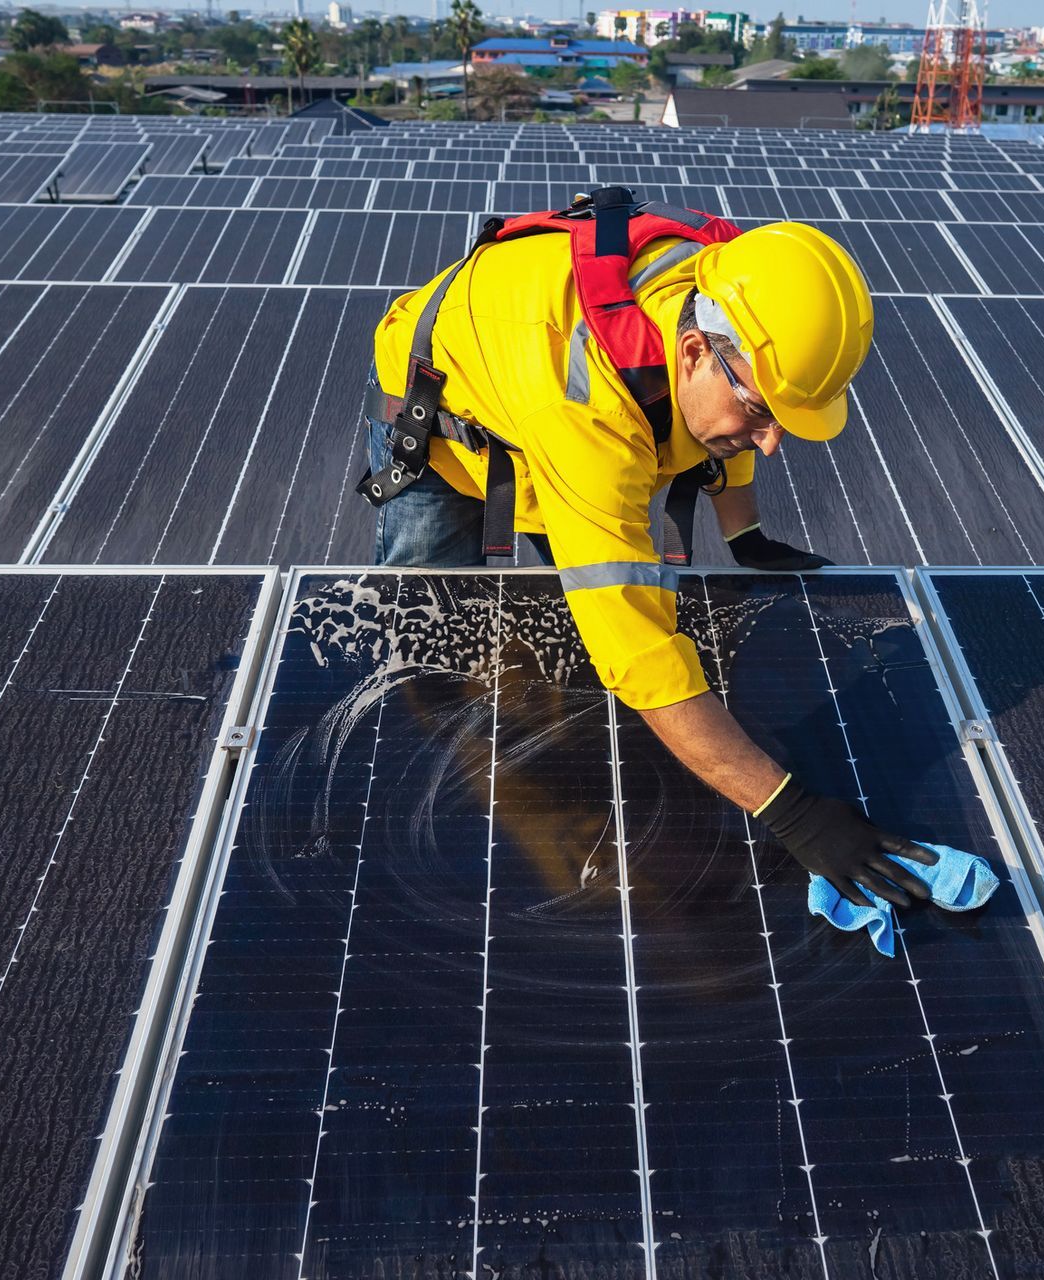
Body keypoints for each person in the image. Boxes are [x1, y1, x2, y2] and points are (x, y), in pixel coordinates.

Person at [360, 195, 937, 910]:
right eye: (762, 412)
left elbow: (717, 431)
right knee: (432, 623)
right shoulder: (592, 418)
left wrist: (744, 536)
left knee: (581, 614)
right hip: (442, 414)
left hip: (537, 402)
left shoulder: (720, 298)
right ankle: (430, 740)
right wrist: (791, 812)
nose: (769, 440)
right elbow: (640, 656)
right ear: (693, 350)